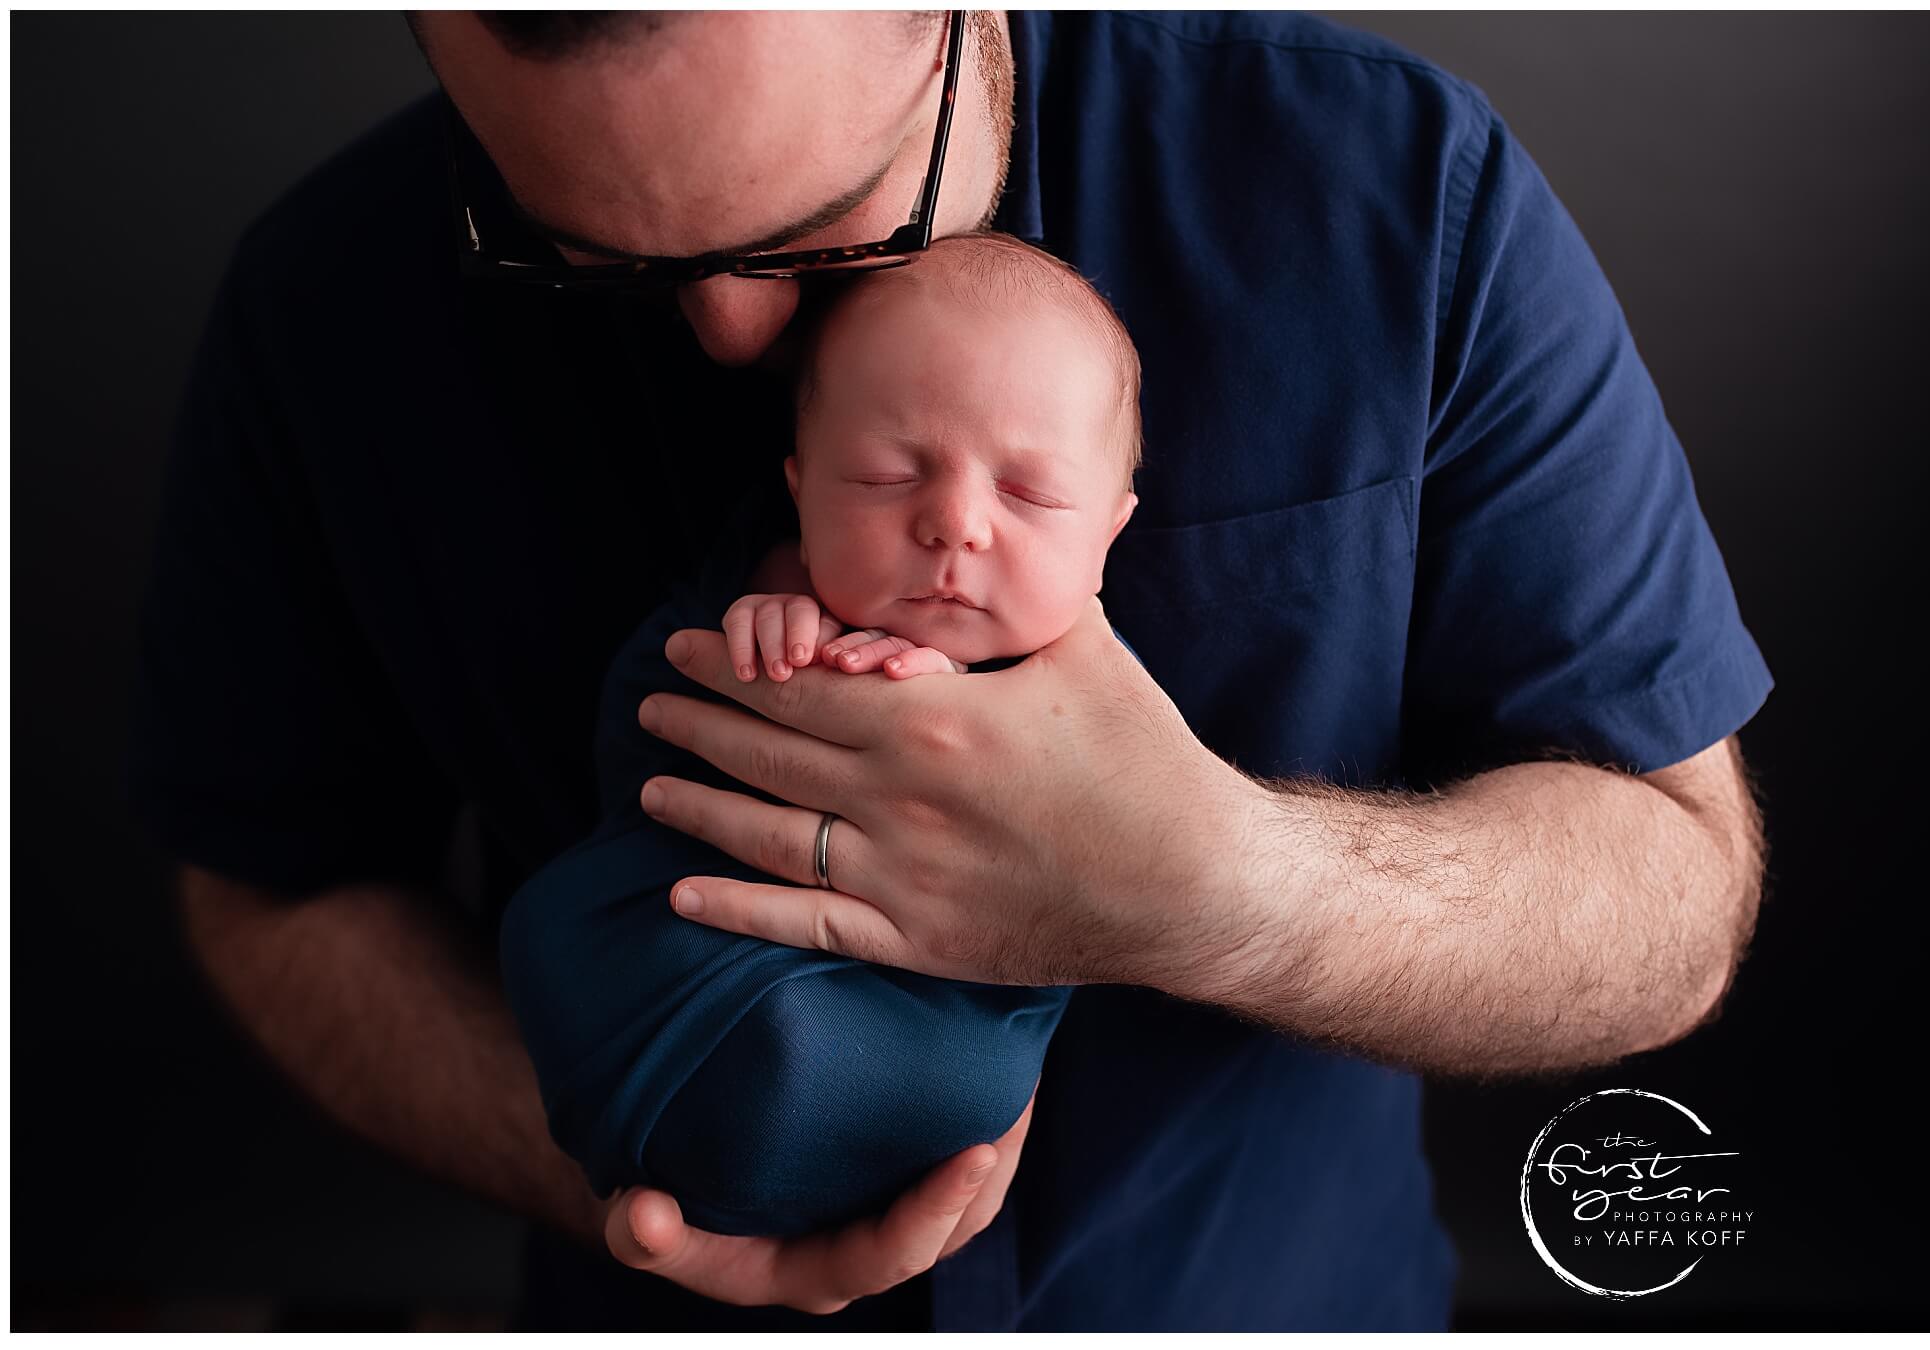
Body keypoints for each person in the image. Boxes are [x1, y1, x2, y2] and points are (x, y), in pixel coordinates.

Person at [135, 11, 1772, 1331]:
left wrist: (1224, 883)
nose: (729, 329)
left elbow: (1670, 890)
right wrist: (638, 1155)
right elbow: (275, 892)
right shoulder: (322, 316)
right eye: (580, 247)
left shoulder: (1392, 194)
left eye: (822, 216)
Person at [501, 230, 1143, 1239]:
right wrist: (760, 630)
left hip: (929, 1047)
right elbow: (639, 749)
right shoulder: (755, 593)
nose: (954, 524)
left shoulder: (1096, 701)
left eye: (1029, 493)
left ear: (1109, 532)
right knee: (552, 928)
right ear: (799, 491)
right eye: (889, 476)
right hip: (676, 966)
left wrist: (970, 715)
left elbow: (1111, 869)